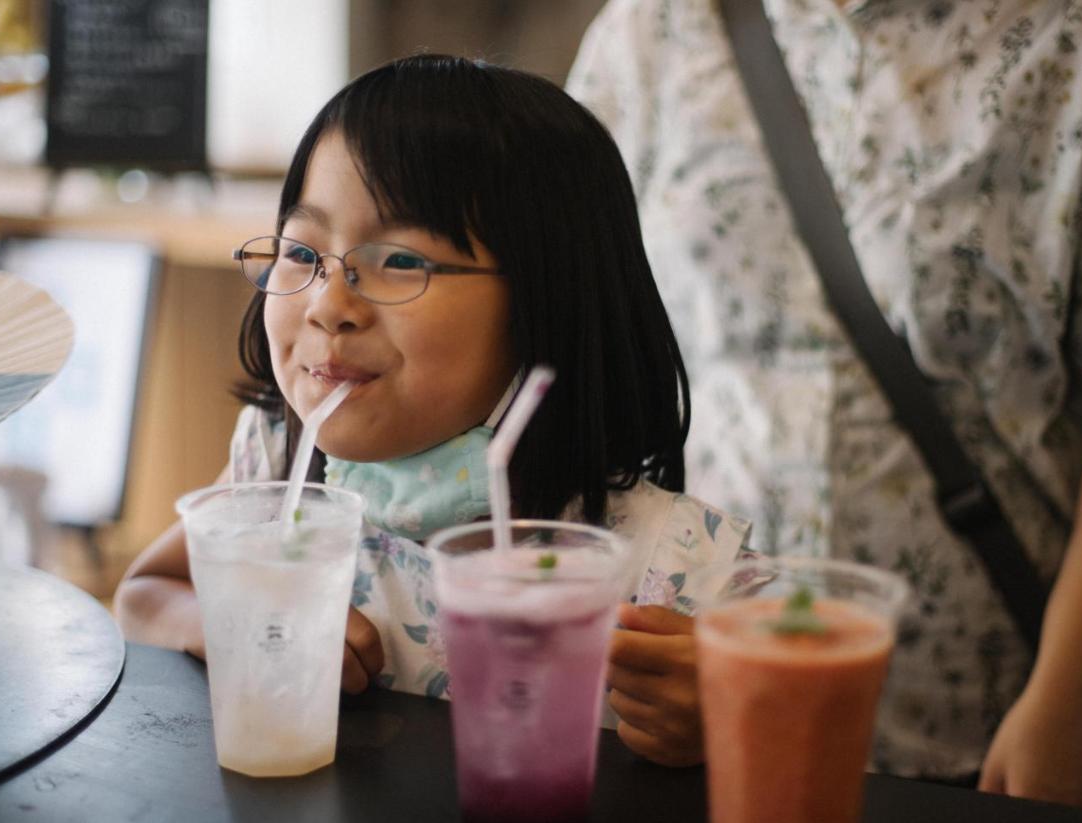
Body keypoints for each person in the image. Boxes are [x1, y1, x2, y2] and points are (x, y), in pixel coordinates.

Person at [566, 0, 1082, 805]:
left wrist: (1068, 697)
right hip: (696, 706)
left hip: (983, 710)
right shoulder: (651, 33)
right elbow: (573, 341)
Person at [114, 54, 751, 768]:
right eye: (301, 250)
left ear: (546, 298)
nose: (329, 306)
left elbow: (793, 748)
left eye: (402, 261)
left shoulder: (666, 564)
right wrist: (233, 623)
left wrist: (723, 716)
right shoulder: (279, 461)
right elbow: (144, 592)